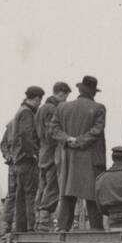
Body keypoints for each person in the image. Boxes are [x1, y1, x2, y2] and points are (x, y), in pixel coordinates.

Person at [50, 75, 107, 231]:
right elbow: (96, 131)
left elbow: (53, 129)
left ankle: (62, 230)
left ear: (80, 90)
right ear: (93, 93)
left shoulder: (62, 108)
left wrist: (68, 139)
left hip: (69, 159)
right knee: (92, 199)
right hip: (90, 160)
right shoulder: (98, 108)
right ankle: (97, 234)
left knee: (68, 197)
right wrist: (80, 141)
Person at [34, 81, 71, 231]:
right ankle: (44, 221)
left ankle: (38, 220)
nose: (66, 101)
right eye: (66, 97)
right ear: (61, 94)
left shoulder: (41, 109)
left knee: (43, 186)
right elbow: (51, 133)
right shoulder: (52, 109)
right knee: (53, 186)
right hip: (51, 153)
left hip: (43, 153)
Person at [7, 86, 44, 233]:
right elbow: (27, 135)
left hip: (18, 162)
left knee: (20, 197)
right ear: (36, 99)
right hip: (27, 160)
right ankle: (30, 228)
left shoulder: (19, 111)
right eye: (39, 101)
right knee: (30, 195)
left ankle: (21, 227)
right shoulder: (27, 113)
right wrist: (35, 153)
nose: (39, 104)